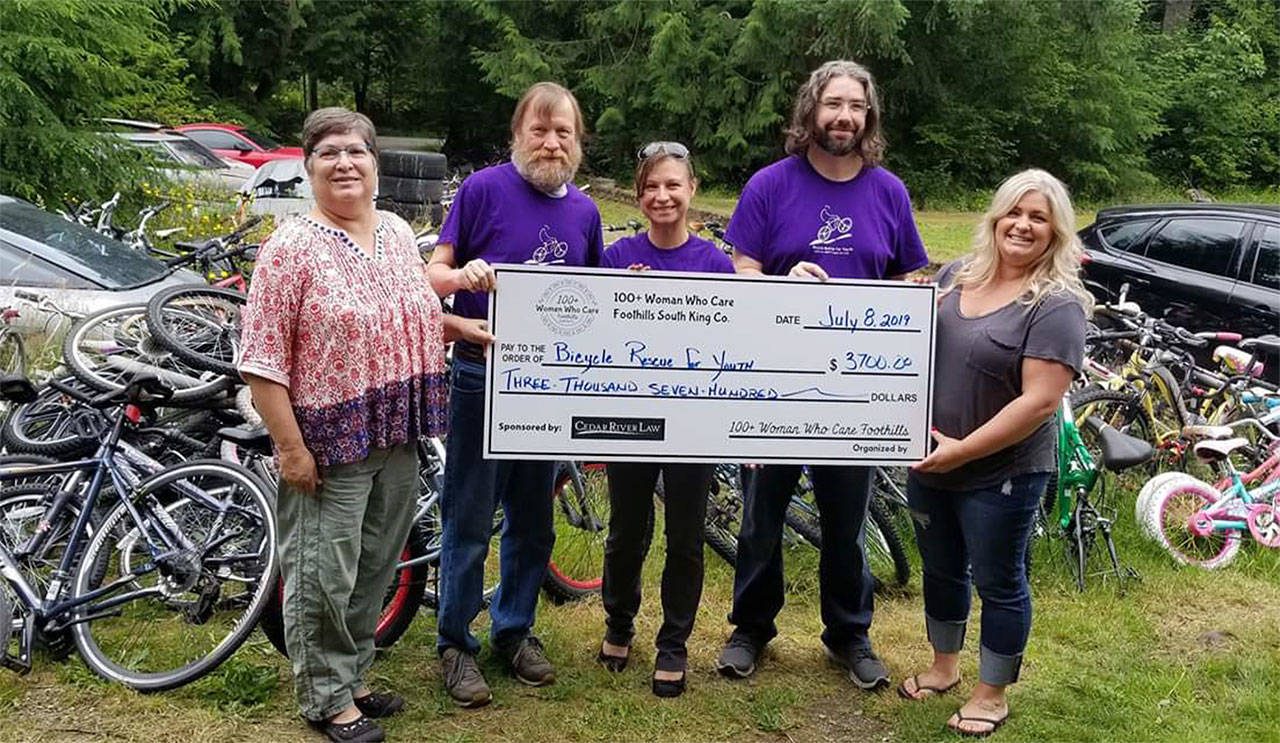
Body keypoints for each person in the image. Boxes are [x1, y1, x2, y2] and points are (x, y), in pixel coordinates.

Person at [239, 107, 488, 743]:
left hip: (398, 430)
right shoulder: (290, 248)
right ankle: (324, 699)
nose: (345, 163)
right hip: (328, 443)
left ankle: (351, 678)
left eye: (356, 151)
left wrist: (457, 326)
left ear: (375, 163)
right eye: (329, 154)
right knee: (324, 572)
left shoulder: (400, 233)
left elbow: (409, 313)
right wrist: (290, 450)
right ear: (308, 166)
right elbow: (262, 361)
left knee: (375, 567)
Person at [716, 60, 929, 690]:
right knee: (761, 516)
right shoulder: (769, 186)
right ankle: (751, 628)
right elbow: (741, 271)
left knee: (847, 521)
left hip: (854, 393)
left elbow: (906, 282)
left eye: (857, 107)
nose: (845, 117)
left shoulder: (888, 192)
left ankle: (849, 634)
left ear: (869, 118)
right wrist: (780, 285)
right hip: (774, 384)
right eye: (834, 104)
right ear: (810, 111)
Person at [426, 82, 604, 708]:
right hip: (482, 374)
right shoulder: (482, 191)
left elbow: (598, 303)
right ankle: (454, 642)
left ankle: (515, 630)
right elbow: (434, 276)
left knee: (533, 518)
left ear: (577, 143)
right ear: (517, 135)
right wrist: (462, 275)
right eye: (539, 129)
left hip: (550, 388)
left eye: (563, 132)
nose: (551, 142)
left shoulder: (585, 213)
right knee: (469, 515)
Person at [900, 169, 1089, 737]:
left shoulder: (1057, 304)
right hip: (930, 459)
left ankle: (992, 693)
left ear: (1056, 231)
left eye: (1038, 217)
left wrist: (964, 452)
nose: (1023, 225)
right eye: (1015, 212)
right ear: (996, 218)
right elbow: (905, 337)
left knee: (999, 580)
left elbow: (1039, 402)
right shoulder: (958, 274)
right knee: (940, 568)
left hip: (1002, 472)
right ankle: (944, 666)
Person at [595, 142, 734, 698]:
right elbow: (595, 338)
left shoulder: (715, 263)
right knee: (627, 531)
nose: (662, 196)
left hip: (693, 419)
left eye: (673, 185)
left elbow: (732, 340)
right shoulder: (614, 256)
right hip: (630, 414)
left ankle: (673, 643)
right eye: (652, 187)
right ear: (639, 195)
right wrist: (623, 299)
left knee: (685, 536)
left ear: (691, 191)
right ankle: (618, 624)